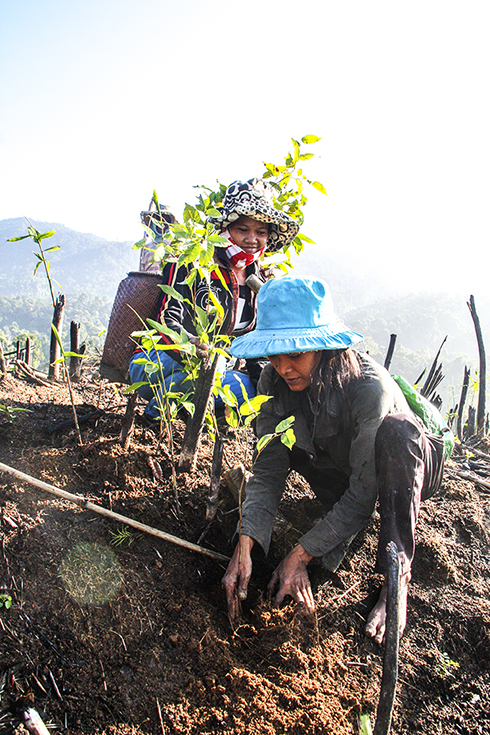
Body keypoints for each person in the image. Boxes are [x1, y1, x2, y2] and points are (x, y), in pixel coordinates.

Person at [222, 276, 446, 643]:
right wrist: (245, 543)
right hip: (337, 462)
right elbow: (268, 468)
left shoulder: (368, 388)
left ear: (324, 349)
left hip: (406, 463)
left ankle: (396, 582)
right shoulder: (273, 382)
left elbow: (364, 491)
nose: (283, 367)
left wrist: (301, 554)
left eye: (295, 355)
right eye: (274, 355)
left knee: (397, 432)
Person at [129, 179, 299, 420]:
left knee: (260, 390)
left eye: (261, 232)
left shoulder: (259, 279)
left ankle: (189, 409)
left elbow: (256, 343)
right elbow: (167, 320)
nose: (252, 238)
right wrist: (191, 346)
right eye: (243, 230)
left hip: (211, 372)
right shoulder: (192, 261)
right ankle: (155, 416)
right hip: (157, 364)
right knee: (213, 366)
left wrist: (267, 380)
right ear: (226, 229)